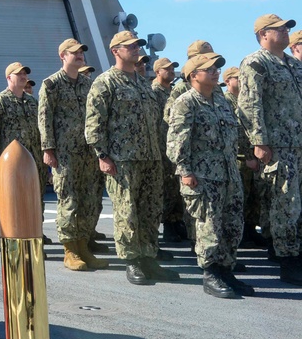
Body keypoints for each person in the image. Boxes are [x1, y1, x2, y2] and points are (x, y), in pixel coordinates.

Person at [86, 31, 178, 286]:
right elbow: (94, 124)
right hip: (122, 160)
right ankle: (132, 260)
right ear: (115, 50)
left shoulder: (142, 84)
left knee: (150, 210)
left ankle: (149, 257)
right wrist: (102, 155)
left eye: (137, 45)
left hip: (150, 157)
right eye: (130, 46)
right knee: (127, 211)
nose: (136, 49)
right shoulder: (105, 83)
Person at [167, 52, 253, 298]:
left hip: (228, 175)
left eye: (217, 68)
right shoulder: (186, 102)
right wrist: (185, 171)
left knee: (233, 225)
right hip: (203, 177)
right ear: (194, 75)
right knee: (210, 227)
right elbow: (176, 142)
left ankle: (226, 270)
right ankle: (211, 273)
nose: (216, 72)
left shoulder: (221, 100)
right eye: (209, 69)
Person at [237, 14, 302, 286]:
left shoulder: (292, 65)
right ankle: (288, 260)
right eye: (280, 28)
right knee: (286, 204)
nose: (286, 32)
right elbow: (249, 104)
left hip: (298, 144)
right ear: (263, 34)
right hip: (278, 146)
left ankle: (293, 252)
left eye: (288, 28)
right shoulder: (255, 62)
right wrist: (259, 141)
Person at [39, 39, 107, 272]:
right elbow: (44, 118)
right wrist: (48, 150)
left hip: (88, 153)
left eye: (81, 52)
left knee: (89, 201)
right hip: (65, 154)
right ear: (62, 56)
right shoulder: (52, 84)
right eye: (75, 53)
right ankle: (70, 250)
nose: (80, 56)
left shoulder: (89, 85)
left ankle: (84, 246)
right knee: (69, 200)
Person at [0, 62, 49, 244]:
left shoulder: (32, 102)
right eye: (18, 74)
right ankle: (17, 240)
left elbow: (40, 132)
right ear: (8, 78)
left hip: (34, 162)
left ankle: (36, 234)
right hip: (11, 164)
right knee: (14, 204)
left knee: (36, 201)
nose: (23, 77)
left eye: (25, 74)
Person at [224, 66, 266, 249]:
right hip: (240, 158)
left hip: (252, 156)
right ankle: (238, 235)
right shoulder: (225, 101)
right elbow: (236, 132)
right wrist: (247, 156)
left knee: (252, 198)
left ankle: (249, 230)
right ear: (228, 81)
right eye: (236, 78)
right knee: (239, 198)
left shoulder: (244, 100)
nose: (241, 81)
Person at [151, 58, 184, 243]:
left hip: (172, 145)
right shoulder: (154, 92)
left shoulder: (171, 91)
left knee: (175, 187)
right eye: (167, 68)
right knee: (166, 188)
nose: (172, 71)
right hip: (161, 145)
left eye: (173, 68)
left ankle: (175, 221)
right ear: (157, 71)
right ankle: (167, 225)